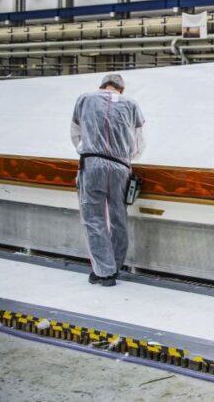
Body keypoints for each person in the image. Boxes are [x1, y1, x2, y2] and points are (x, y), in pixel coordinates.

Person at [71, 74, 145, 287]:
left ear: (102, 86)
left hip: (92, 164)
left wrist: (88, 150)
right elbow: (139, 141)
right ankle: (116, 265)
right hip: (121, 166)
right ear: (121, 89)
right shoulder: (131, 104)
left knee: (94, 218)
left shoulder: (84, 99)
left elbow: (75, 133)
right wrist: (126, 158)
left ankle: (104, 271)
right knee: (118, 217)